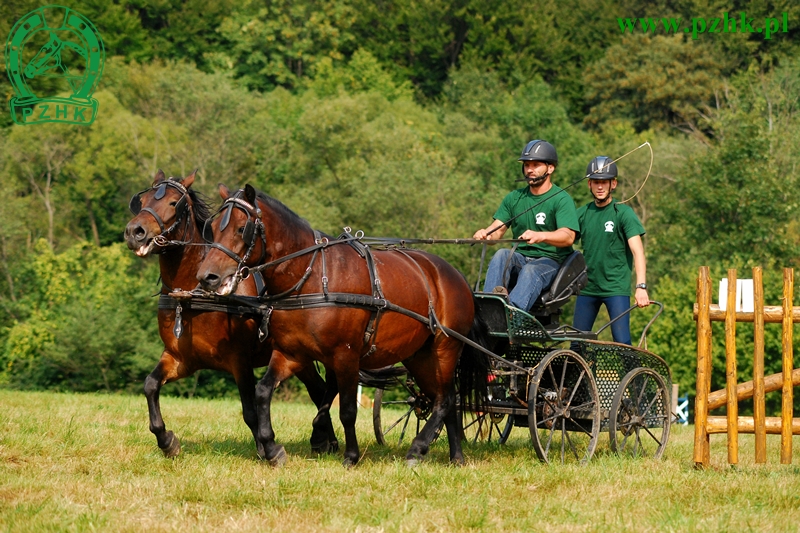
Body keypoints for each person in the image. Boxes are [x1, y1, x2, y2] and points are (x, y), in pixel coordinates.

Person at [473, 140, 580, 312]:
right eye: (527, 165)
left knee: (531, 270)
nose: (530, 170)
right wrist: (485, 234)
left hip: (551, 262)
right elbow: (497, 231)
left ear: (550, 168)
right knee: (501, 254)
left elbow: (568, 237)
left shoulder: (561, 199)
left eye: (536, 165)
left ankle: (511, 314)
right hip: (520, 258)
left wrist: (541, 236)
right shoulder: (514, 198)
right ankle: (489, 307)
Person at [571, 156, 649, 345]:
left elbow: (638, 252)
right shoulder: (581, 213)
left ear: (613, 184)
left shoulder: (623, 213)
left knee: (622, 342)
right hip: (588, 288)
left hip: (615, 288)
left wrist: (641, 287)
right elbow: (564, 241)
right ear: (589, 184)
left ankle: (633, 376)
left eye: (604, 182)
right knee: (576, 343)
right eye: (596, 182)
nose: (600, 187)